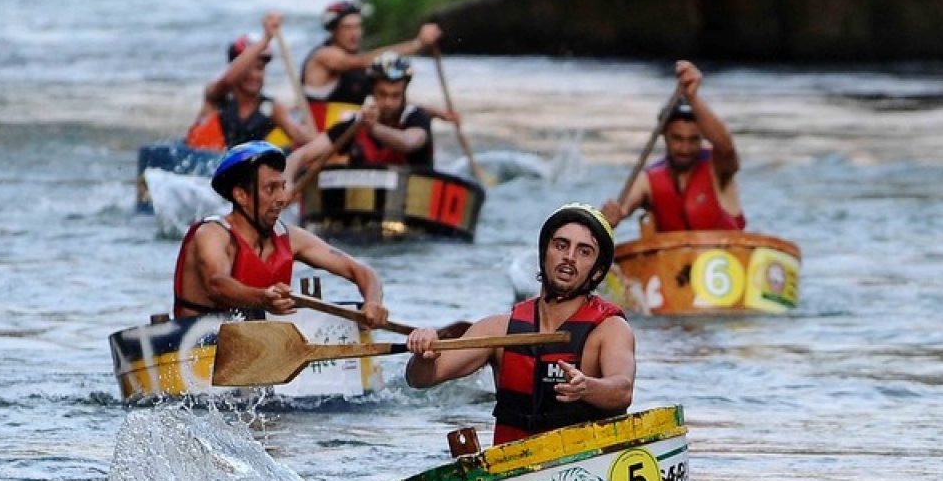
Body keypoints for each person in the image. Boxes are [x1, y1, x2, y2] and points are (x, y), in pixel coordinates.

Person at [405, 204, 635, 445]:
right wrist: (424, 355)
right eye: (561, 245)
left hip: (584, 470)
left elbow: (622, 390)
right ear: (544, 252)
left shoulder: (610, 329)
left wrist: (586, 387)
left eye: (584, 251)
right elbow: (419, 380)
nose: (569, 257)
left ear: (598, 272)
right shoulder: (498, 331)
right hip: (513, 470)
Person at [173, 141, 389, 327]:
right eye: (271, 189)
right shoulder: (211, 235)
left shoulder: (291, 238)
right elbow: (217, 285)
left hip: (256, 349)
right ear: (240, 195)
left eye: (282, 187)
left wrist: (373, 303)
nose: (282, 198)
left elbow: (360, 271)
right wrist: (262, 299)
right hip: (196, 348)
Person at [602, 60, 745, 233]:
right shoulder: (647, 180)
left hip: (726, 257)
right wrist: (613, 215)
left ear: (703, 137)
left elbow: (726, 148)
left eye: (693, 140)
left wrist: (692, 97)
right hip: (671, 258)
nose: (685, 148)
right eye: (677, 139)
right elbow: (623, 207)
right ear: (664, 135)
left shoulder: (720, 168)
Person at [284, 52, 436, 180]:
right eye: (382, 94)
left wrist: (374, 128)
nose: (388, 102)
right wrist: (287, 180)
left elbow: (407, 142)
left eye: (395, 95)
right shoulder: (355, 125)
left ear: (404, 93)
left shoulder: (416, 117)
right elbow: (300, 155)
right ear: (372, 92)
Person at [300, 0, 444, 127]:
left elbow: (390, 99)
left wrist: (439, 113)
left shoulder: (361, 65)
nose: (354, 33)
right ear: (333, 31)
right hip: (320, 136)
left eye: (358, 26)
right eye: (348, 27)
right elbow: (362, 61)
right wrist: (417, 44)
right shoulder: (324, 56)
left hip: (350, 138)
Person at [185, 12, 314, 152]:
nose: (254, 75)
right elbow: (228, 79)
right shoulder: (216, 96)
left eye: (259, 68)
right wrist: (266, 38)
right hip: (201, 164)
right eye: (248, 68)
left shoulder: (271, 108)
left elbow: (302, 138)